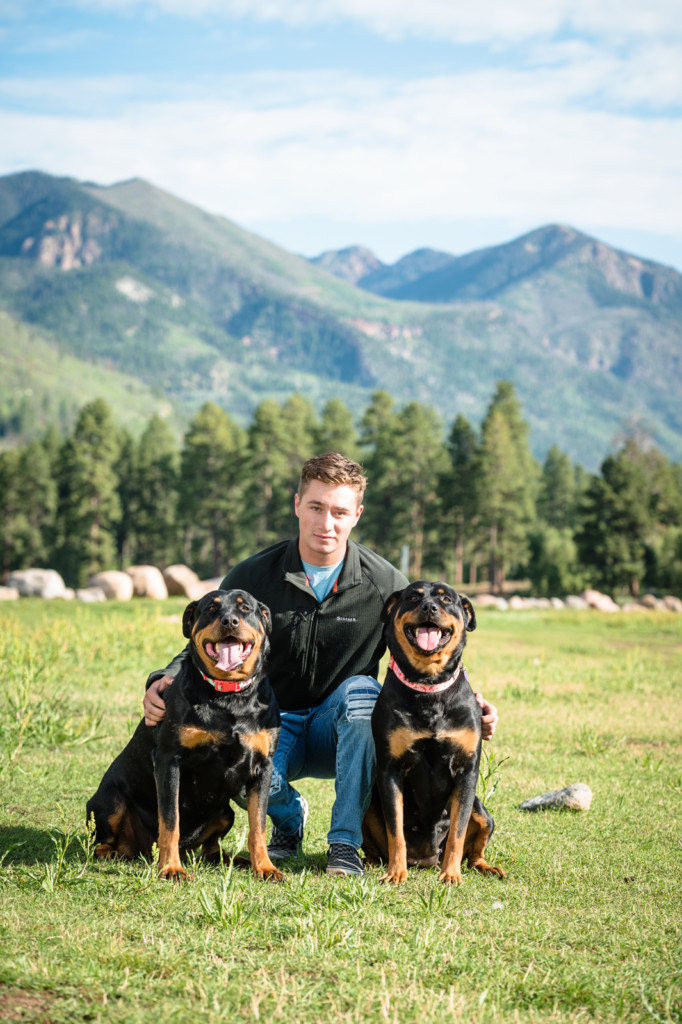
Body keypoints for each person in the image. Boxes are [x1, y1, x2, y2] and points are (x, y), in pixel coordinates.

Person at [144, 452, 498, 876]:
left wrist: (468, 702)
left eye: (339, 512)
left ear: (356, 515)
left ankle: (345, 846)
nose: (325, 523)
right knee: (238, 759)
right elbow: (209, 641)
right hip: (273, 724)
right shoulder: (253, 577)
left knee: (362, 694)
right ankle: (289, 820)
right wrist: (163, 677)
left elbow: (430, 650)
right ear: (297, 504)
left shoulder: (385, 583)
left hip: (349, 730)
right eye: (315, 507)